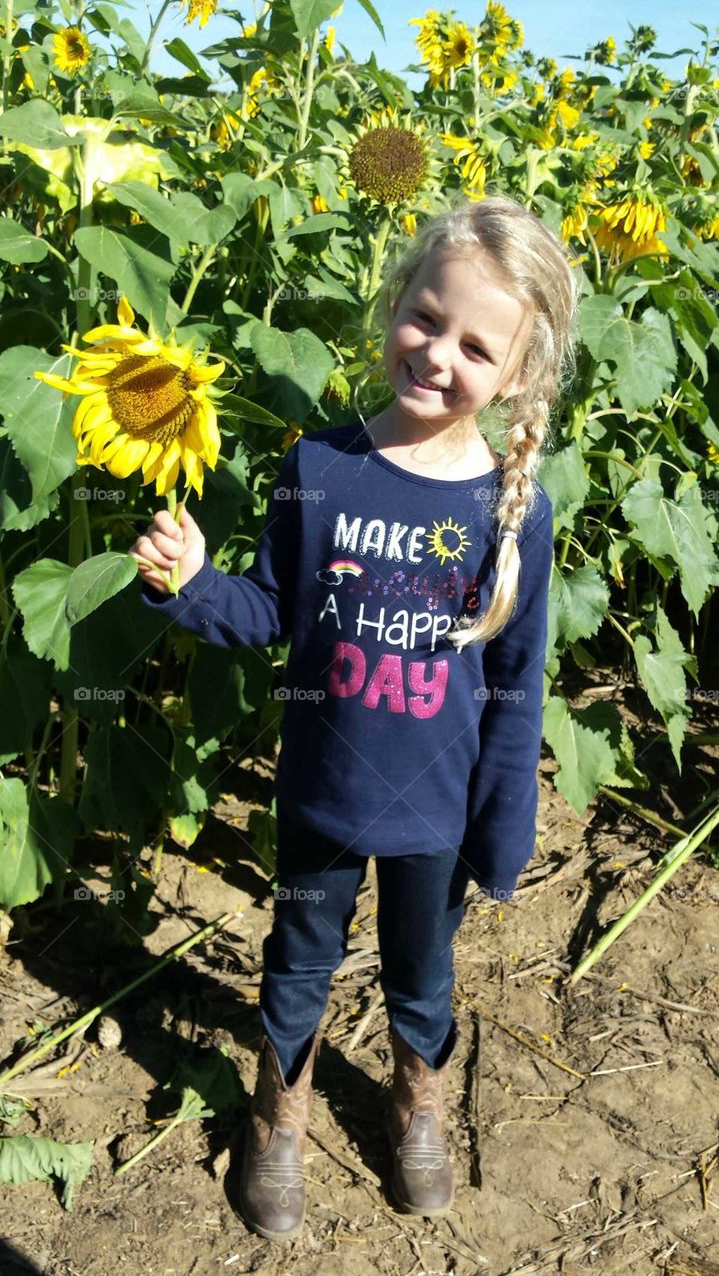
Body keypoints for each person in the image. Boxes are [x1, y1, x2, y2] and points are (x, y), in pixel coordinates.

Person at [129, 192, 579, 1242]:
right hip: (322, 793)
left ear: (515, 374)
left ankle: (417, 1092)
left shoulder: (510, 512)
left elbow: (518, 685)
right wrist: (191, 582)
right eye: (424, 316)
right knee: (295, 959)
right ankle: (278, 1109)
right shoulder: (318, 468)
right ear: (395, 305)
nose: (435, 352)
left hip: (435, 810)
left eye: (475, 344)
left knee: (423, 973)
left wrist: (501, 827)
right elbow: (272, 611)